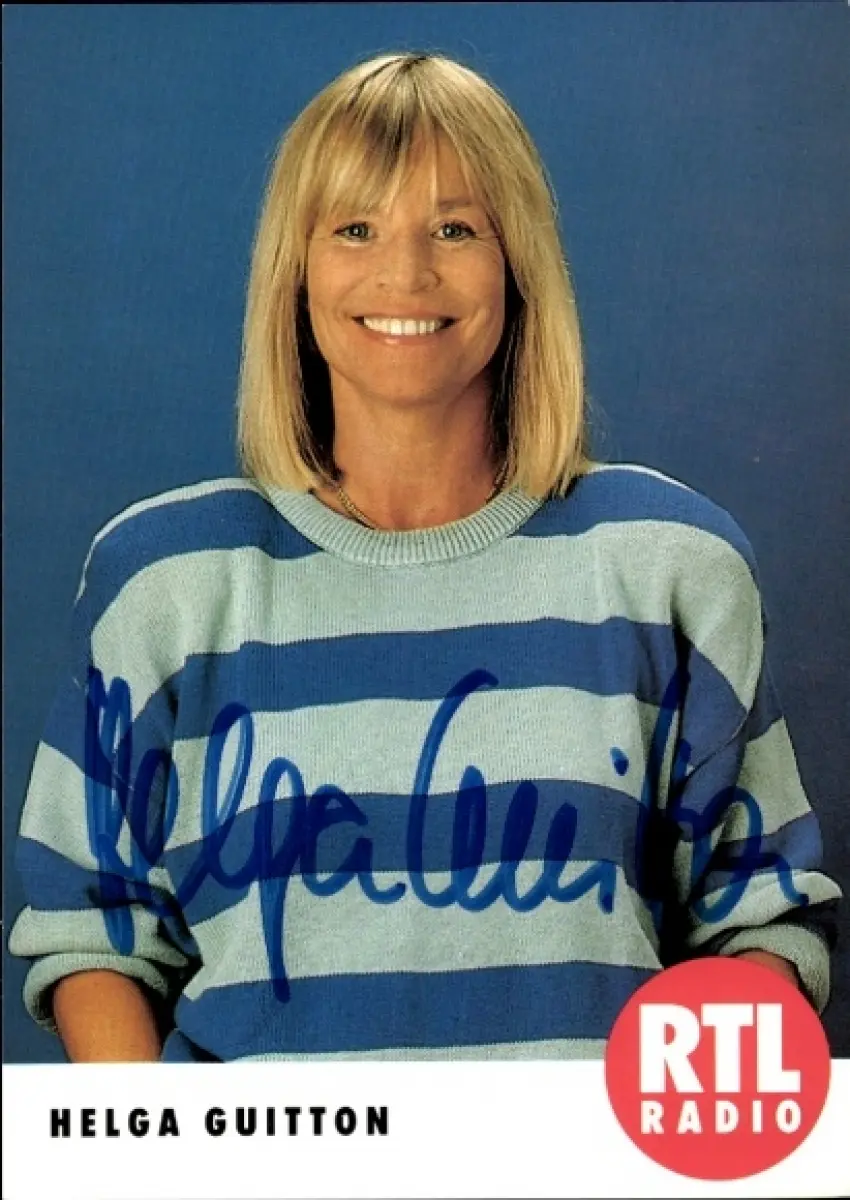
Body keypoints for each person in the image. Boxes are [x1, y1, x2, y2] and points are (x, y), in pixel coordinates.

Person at [9, 51, 841, 1063]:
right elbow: (91, 931)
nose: (403, 275)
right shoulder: (163, 579)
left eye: (455, 229)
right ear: (296, 270)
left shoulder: (670, 564)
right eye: (354, 229)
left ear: (517, 263)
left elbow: (759, 922)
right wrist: (158, 1144)